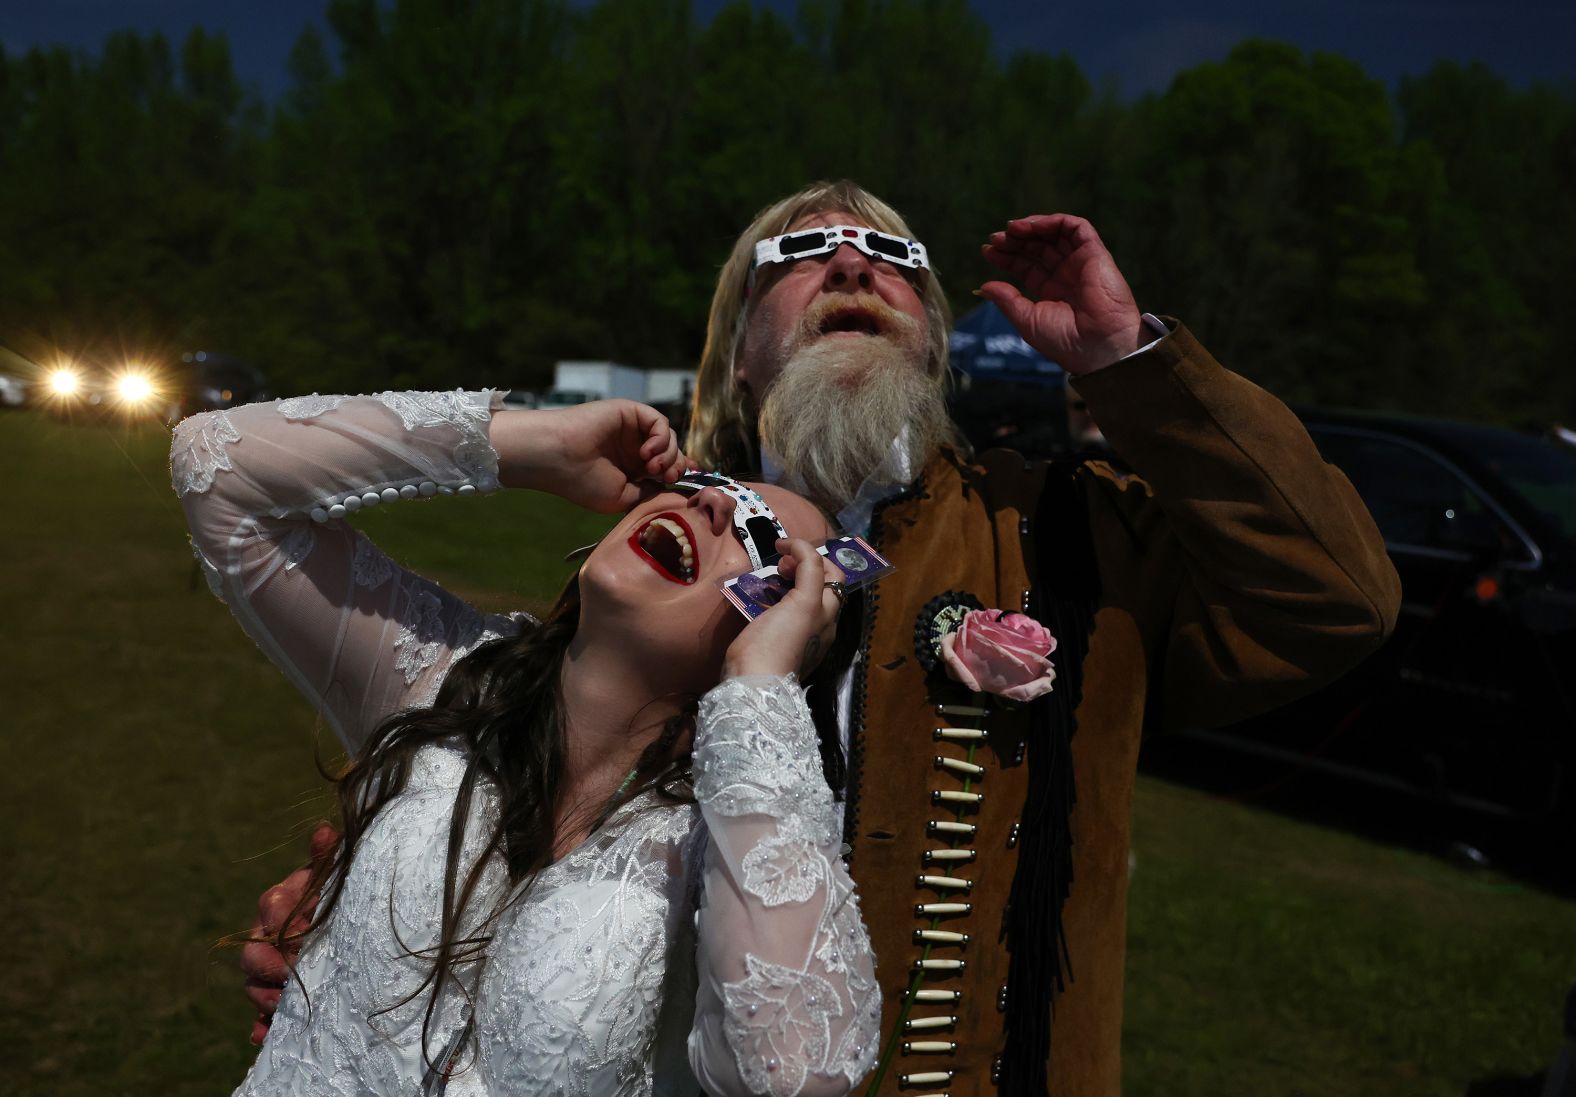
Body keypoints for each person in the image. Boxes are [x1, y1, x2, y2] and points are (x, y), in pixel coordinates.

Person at [241, 181, 1401, 1096]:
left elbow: (1337, 597)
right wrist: (370, 938)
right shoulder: (666, 551)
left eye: (894, 260)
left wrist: (1128, 365)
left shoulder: (1065, 529)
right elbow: (515, 792)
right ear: (738, 350)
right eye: (797, 258)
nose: (852, 266)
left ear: (934, 341)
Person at [174, 393, 882, 1095]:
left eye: (758, 532)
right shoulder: (443, 675)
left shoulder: (720, 844)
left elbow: (796, 1071)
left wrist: (758, 686)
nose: (712, 507)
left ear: (782, 620)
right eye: (706, 485)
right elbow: (217, 465)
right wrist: (531, 446)